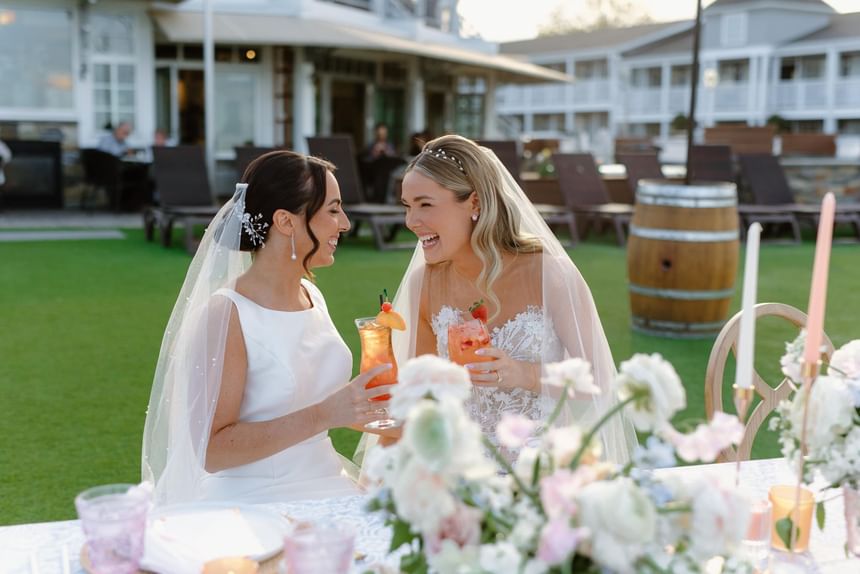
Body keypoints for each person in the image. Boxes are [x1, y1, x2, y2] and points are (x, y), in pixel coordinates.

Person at [142, 151, 394, 505]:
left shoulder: (311, 294)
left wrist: (359, 412)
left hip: (324, 481)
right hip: (254, 499)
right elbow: (211, 450)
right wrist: (326, 414)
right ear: (286, 222)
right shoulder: (227, 314)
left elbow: (310, 399)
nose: (346, 223)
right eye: (334, 210)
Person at [387, 134, 636, 463]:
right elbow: (419, 397)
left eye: (425, 204)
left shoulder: (552, 275)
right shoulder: (426, 283)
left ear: (474, 203)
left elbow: (598, 382)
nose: (411, 221)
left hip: (540, 472)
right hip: (459, 471)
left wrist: (524, 374)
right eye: (407, 206)